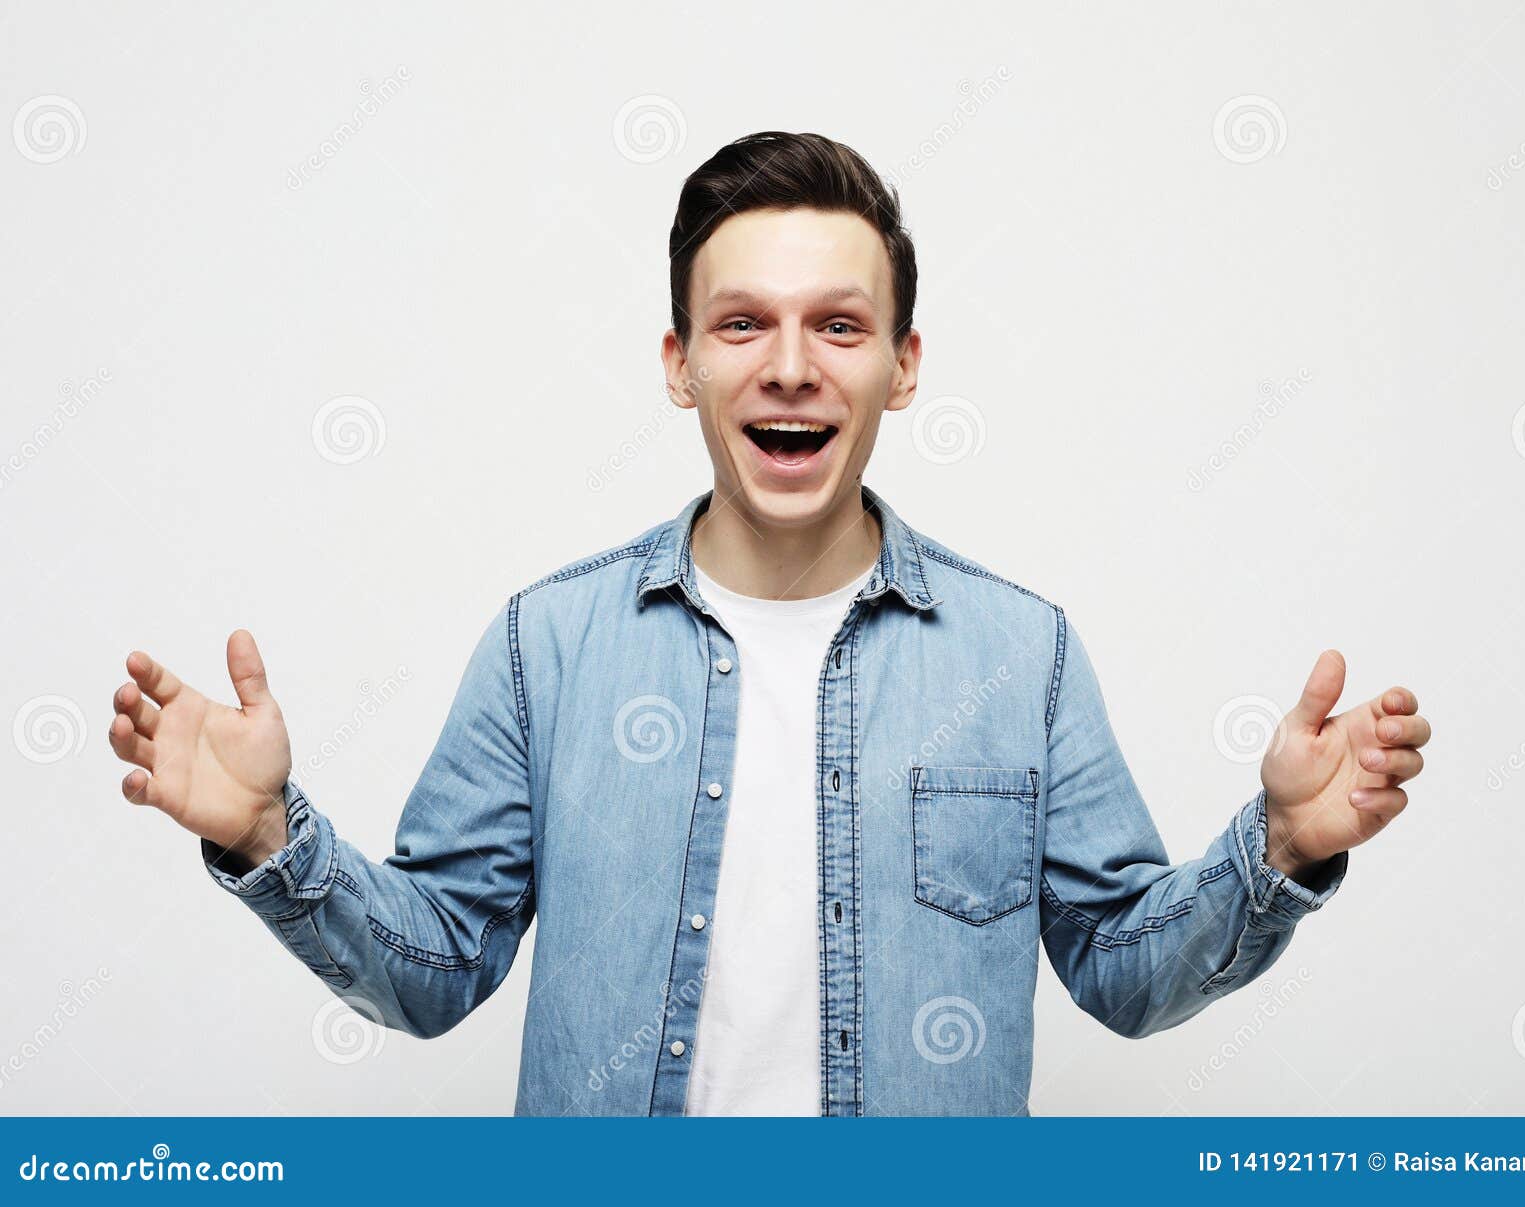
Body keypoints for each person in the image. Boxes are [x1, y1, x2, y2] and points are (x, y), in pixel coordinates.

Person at [107, 130, 1431, 1117]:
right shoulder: (550, 646)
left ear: (903, 367)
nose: (790, 366)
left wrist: (1280, 851)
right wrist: (269, 836)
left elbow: (1125, 977)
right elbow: (434, 970)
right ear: (679, 361)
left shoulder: (1019, 656)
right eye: (741, 323)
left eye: (839, 326)